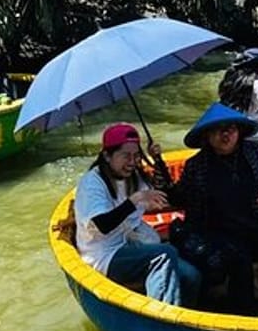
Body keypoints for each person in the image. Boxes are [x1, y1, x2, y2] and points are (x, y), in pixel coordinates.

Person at [156, 104, 258, 314]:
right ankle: (242, 317)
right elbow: (180, 198)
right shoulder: (197, 165)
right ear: (207, 136)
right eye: (218, 130)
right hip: (219, 230)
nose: (226, 134)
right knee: (240, 264)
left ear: (239, 132)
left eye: (231, 128)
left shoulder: (257, 153)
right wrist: (159, 166)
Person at [73, 123, 201, 307]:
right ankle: (163, 321)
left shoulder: (134, 176)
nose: (132, 162)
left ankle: (188, 318)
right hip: (104, 255)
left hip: (131, 243)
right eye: (126, 156)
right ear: (107, 155)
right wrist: (134, 201)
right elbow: (102, 224)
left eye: (136, 156)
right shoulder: (93, 183)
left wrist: (157, 159)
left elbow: (165, 193)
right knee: (164, 254)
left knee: (191, 275)